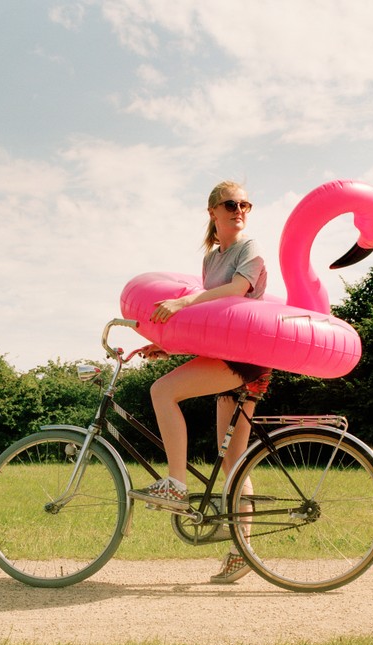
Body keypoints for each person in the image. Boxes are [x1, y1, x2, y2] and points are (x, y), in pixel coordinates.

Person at [128, 180, 270, 584]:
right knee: (233, 463)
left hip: (244, 358)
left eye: (245, 203)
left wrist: (183, 301)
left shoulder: (249, 249)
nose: (239, 209)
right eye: (230, 204)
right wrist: (169, 348)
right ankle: (244, 551)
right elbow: (214, 324)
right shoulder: (211, 260)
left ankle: (175, 483)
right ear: (213, 211)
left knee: (162, 391)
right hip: (223, 355)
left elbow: (237, 292)